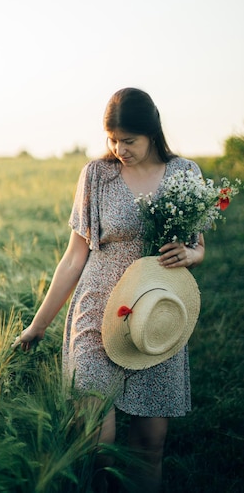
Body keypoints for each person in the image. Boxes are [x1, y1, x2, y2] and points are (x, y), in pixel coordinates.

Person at [13, 87, 205, 492]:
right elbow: (73, 258)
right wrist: (38, 325)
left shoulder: (185, 173)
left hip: (157, 312)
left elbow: (198, 247)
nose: (119, 148)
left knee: (150, 443)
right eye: (112, 139)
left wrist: (189, 255)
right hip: (97, 309)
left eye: (128, 140)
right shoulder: (96, 176)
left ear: (152, 132)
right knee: (98, 441)